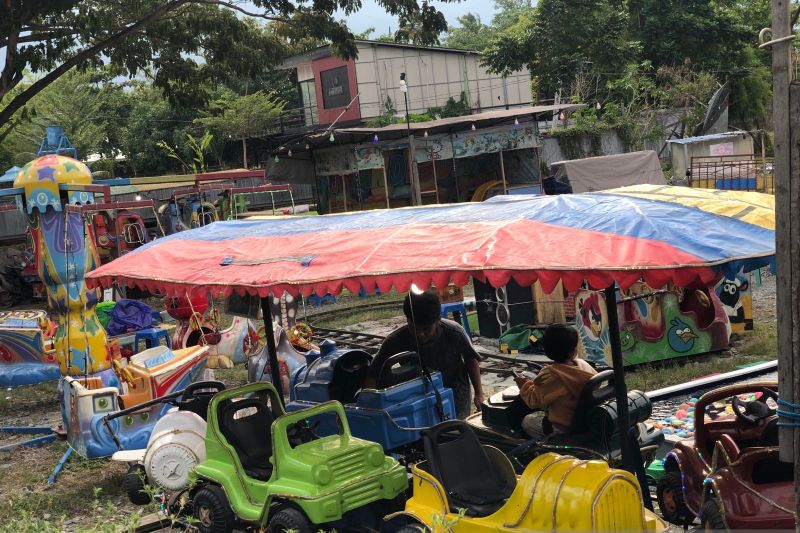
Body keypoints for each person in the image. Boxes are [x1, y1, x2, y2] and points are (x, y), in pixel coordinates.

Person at [364, 290, 483, 419]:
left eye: (426, 329)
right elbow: (372, 375)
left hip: (456, 395)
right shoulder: (396, 340)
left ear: (438, 319)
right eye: (414, 327)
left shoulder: (454, 332)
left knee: (456, 432)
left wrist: (479, 393)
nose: (420, 334)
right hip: (418, 399)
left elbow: (471, 359)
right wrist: (371, 406)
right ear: (407, 319)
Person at [514, 324, 597, 440]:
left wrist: (523, 384)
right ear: (573, 350)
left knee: (527, 420)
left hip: (562, 427)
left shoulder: (551, 375)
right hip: (581, 420)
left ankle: (537, 449)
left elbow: (533, 400)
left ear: (547, 351)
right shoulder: (583, 365)